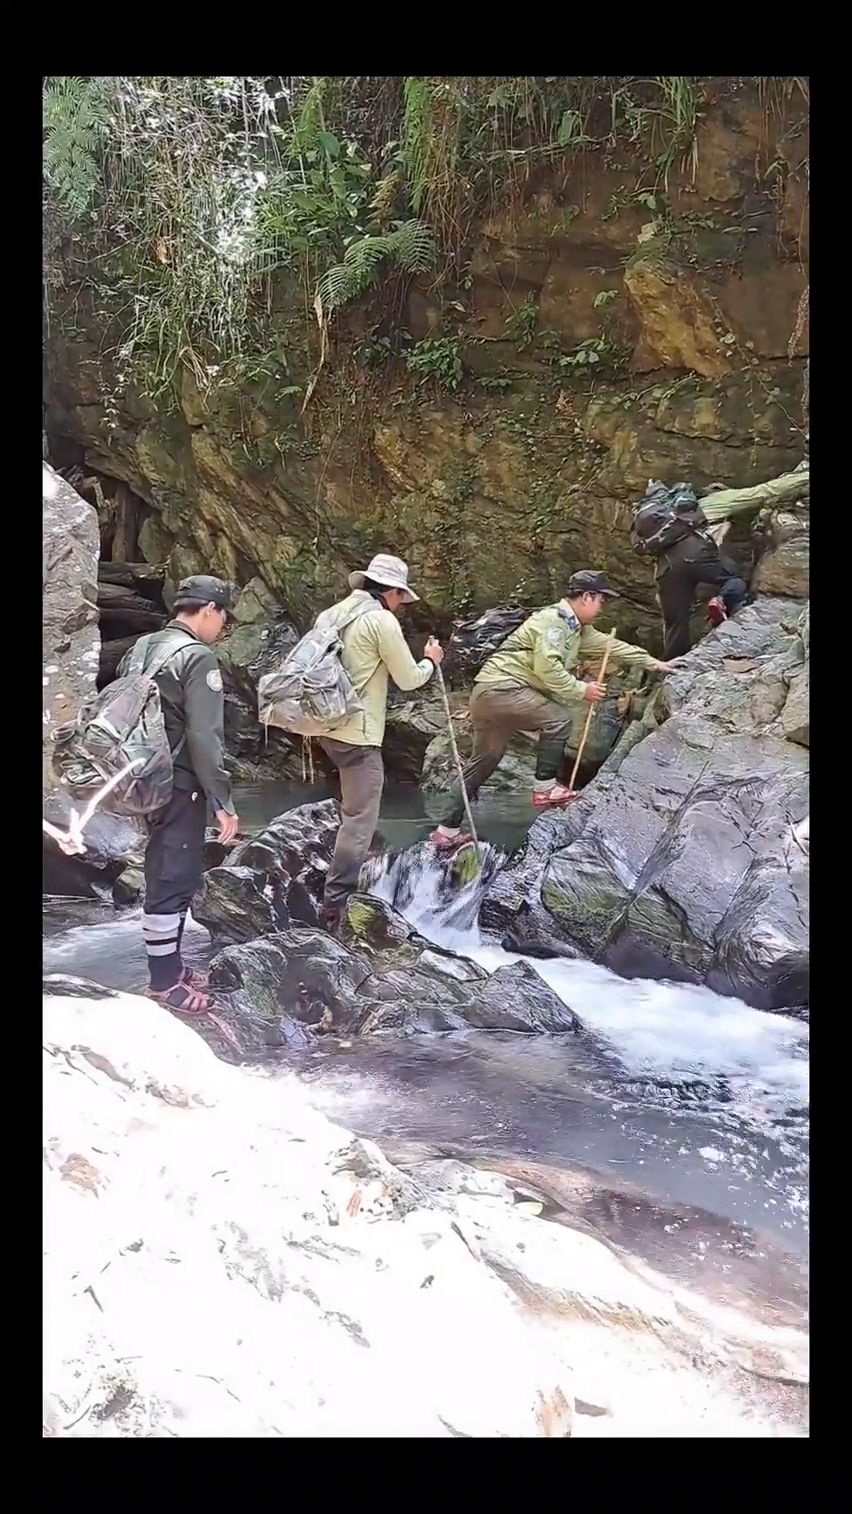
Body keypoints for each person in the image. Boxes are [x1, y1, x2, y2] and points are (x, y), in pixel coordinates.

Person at [430, 570, 680, 853]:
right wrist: (581, 690)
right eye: (600, 600)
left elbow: (613, 647)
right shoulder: (554, 622)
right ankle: (545, 788)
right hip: (504, 689)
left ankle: (445, 831)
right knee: (559, 719)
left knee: (481, 765)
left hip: (487, 694)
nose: (602, 608)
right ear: (587, 597)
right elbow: (547, 668)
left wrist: (654, 663)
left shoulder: (578, 631)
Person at [116, 574, 239, 1015]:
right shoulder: (197, 658)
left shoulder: (142, 648)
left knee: (162, 869)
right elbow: (205, 737)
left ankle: (172, 964)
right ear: (209, 610)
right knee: (173, 876)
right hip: (177, 782)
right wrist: (222, 801)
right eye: (222, 617)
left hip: (139, 777)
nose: (221, 627)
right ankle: (165, 982)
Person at [314, 553, 444, 929]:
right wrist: (431, 661)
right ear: (389, 590)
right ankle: (335, 904)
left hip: (325, 727)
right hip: (358, 734)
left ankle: (351, 879)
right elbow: (408, 678)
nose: (401, 604)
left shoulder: (332, 614)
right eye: (401, 596)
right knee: (359, 818)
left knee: (350, 804)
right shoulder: (380, 620)